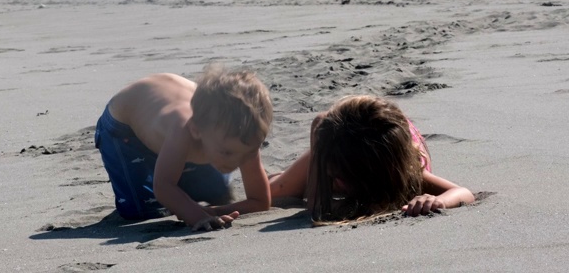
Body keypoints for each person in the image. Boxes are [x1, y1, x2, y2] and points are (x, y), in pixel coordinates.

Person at [94, 65, 273, 231]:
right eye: (227, 153)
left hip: (175, 107)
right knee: (144, 211)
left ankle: (177, 169)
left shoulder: (243, 136)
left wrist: (214, 210)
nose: (235, 163)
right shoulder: (183, 130)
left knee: (218, 193)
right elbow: (163, 186)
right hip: (124, 127)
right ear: (196, 130)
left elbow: (260, 202)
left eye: (246, 154)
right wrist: (197, 216)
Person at [268, 95, 474, 223]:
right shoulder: (330, 141)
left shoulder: (408, 175)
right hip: (348, 138)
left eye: (337, 177)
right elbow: (316, 205)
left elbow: (463, 193)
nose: (332, 178)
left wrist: (438, 201)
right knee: (274, 191)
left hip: (376, 148)